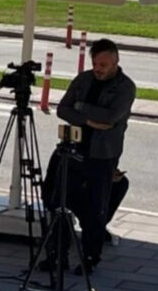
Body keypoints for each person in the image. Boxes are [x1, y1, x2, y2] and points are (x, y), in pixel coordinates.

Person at [41, 38, 136, 274]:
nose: (98, 69)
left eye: (103, 65)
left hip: (102, 154)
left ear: (115, 62)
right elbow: (63, 109)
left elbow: (111, 118)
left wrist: (81, 107)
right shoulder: (83, 80)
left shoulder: (125, 87)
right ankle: (57, 255)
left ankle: (90, 257)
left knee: (95, 207)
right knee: (58, 200)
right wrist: (88, 120)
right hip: (72, 148)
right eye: (95, 64)